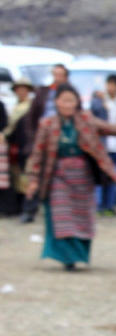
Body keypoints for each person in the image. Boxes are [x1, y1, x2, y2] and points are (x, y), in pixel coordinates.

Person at [24, 84, 116, 270]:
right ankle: (66, 258)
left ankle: (78, 255)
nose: (68, 105)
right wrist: (33, 180)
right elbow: (37, 154)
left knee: (81, 216)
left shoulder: (85, 120)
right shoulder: (47, 124)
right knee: (62, 215)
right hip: (57, 176)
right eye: (64, 100)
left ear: (77, 102)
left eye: (71, 100)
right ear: (56, 102)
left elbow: (110, 128)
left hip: (83, 177)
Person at [20, 63, 70, 223]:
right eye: (55, 74)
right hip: (42, 139)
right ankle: (29, 210)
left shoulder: (70, 94)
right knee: (34, 174)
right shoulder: (44, 92)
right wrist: (32, 137)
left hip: (62, 143)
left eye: (60, 75)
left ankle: (60, 211)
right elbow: (31, 116)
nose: (58, 78)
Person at [90, 74, 116, 216]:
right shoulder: (99, 102)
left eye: (114, 85)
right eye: (109, 84)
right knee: (99, 177)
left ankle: (109, 206)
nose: (111, 88)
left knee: (114, 177)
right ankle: (97, 206)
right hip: (103, 145)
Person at [0, 78, 35, 216]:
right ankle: (19, 208)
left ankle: (29, 209)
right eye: (18, 89)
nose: (20, 91)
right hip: (16, 145)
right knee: (17, 176)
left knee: (27, 175)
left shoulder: (30, 107)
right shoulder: (16, 106)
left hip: (26, 144)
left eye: (23, 89)